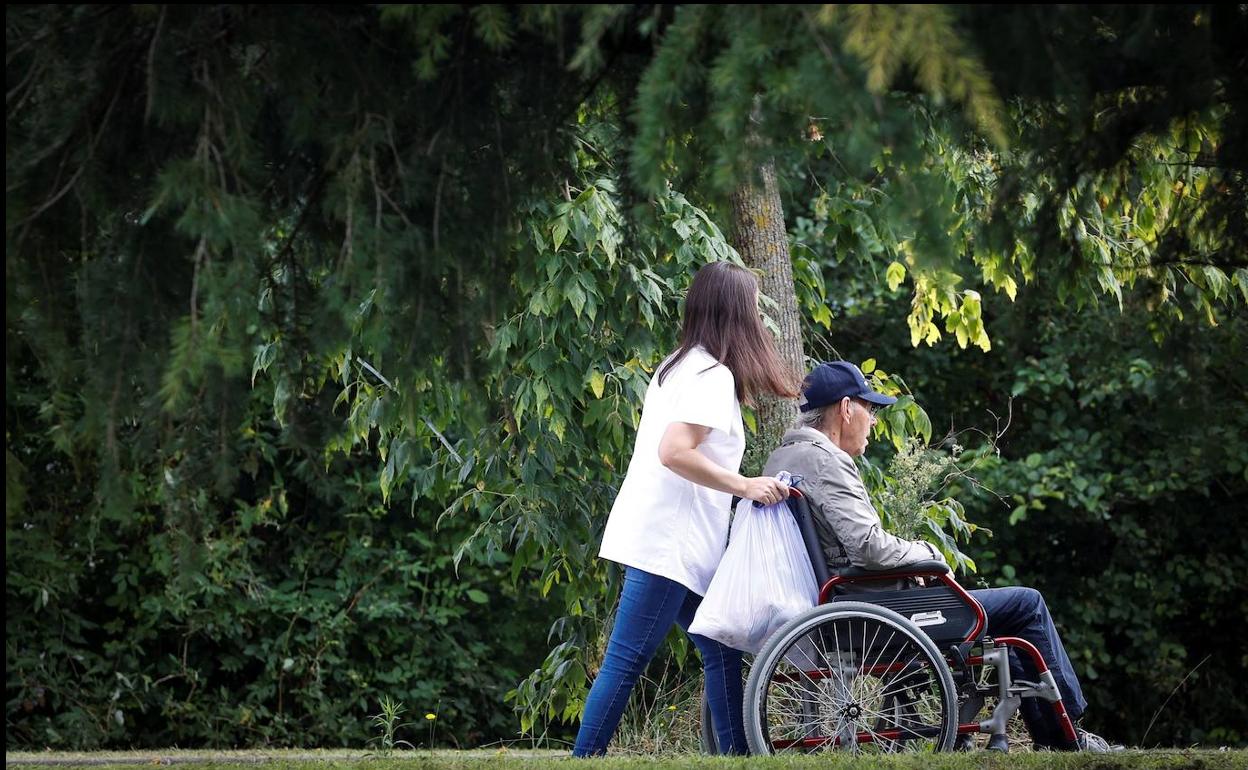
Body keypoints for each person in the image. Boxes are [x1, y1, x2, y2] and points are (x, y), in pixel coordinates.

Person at [761, 360, 1123, 753]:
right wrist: (927, 553)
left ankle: (1054, 737)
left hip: (844, 601)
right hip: (871, 609)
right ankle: (1069, 733)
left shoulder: (784, 458)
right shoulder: (827, 460)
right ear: (846, 409)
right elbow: (869, 546)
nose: (875, 422)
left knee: (1007, 620)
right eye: (871, 410)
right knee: (1026, 604)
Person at [573, 262, 799, 757]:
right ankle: (583, 761)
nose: (759, 318)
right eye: (754, 307)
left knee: (721, 649)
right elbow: (674, 451)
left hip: (677, 542)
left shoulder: (679, 364)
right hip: (670, 546)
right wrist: (745, 486)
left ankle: (738, 758)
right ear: (735, 311)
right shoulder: (710, 376)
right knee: (627, 660)